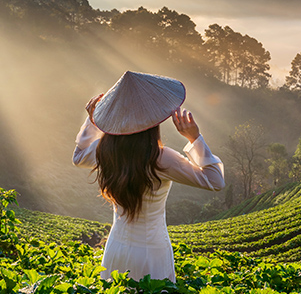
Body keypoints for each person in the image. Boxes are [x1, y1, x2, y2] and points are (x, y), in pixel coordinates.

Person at [72, 71, 224, 282]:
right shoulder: (160, 158)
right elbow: (214, 181)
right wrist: (194, 138)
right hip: (152, 252)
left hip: (116, 248)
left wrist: (92, 122)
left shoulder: (106, 149)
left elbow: (78, 156)